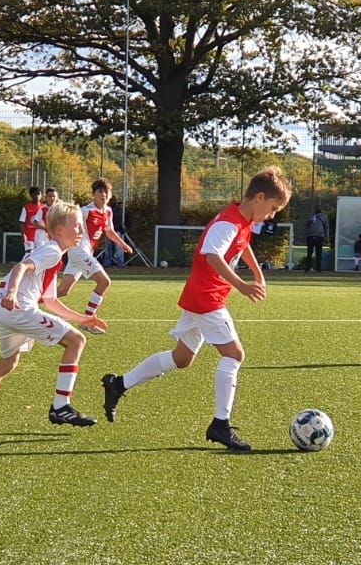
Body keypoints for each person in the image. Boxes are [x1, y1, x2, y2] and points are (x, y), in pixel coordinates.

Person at [100, 167, 292, 451]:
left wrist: (257, 273)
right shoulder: (227, 223)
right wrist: (242, 284)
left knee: (182, 358)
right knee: (234, 355)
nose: (273, 215)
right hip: (207, 298)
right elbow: (212, 255)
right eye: (274, 208)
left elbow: (242, 246)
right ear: (260, 197)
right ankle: (220, 424)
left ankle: (119, 384)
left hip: (200, 296)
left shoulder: (243, 219)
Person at [0, 201, 107, 427]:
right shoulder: (53, 251)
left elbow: (51, 302)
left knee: (8, 363)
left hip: (4, 309)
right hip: (18, 308)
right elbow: (21, 267)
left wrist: (83, 319)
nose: (82, 230)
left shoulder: (53, 255)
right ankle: (61, 406)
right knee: (77, 340)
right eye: (77, 225)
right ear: (59, 230)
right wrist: (12, 293)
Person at [57, 178, 134, 331]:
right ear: (94, 194)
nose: (103, 194)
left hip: (83, 253)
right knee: (104, 282)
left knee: (62, 291)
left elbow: (109, 231)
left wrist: (123, 244)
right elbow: (70, 221)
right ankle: (88, 321)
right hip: (79, 251)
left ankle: (29, 300)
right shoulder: (86, 211)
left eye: (106, 191)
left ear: (110, 194)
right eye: (99, 191)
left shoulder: (108, 211)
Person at [18, 186, 44, 255]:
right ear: (31, 195)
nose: (37, 196)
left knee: (40, 254)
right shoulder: (26, 207)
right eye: (35, 194)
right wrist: (23, 234)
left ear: (41, 195)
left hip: (41, 236)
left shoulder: (43, 207)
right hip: (29, 236)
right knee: (29, 254)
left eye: (39, 194)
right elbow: (21, 222)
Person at [303, 206, 328, 272]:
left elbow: (326, 227)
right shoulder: (311, 215)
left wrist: (326, 237)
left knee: (319, 253)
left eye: (319, 207)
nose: (318, 209)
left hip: (320, 236)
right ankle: (308, 267)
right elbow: (306, 225)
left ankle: (318, 268)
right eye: (317, 207)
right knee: (309, 252)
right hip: (310, 236)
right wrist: (305, 235)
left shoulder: (324, 216)